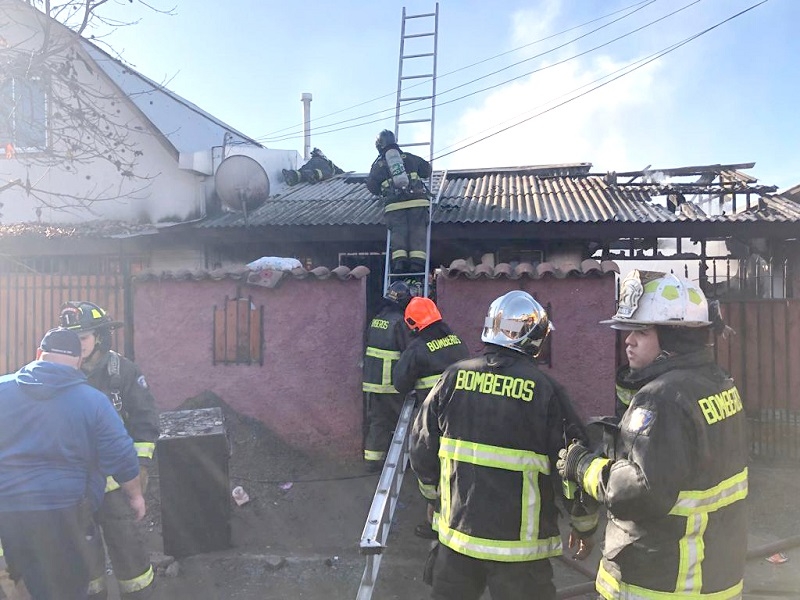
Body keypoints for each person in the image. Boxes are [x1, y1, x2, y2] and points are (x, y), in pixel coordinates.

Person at [557, 270, 747, 600]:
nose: (628, 340)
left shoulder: (661, 399)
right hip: (715, 576)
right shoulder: (717, 382)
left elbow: (637, 492)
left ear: (673, 339)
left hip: (659, 582)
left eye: (641, 332)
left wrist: (582, 465)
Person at [409, 291, 598, 599]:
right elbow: (573, 463)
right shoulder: (546, 391)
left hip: (458, 541)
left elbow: (421, 445)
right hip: (520, 554)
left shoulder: (453, 377)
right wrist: (584, 526)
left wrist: (433, 497)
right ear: (535, 339)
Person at [0, 328, 143, 600]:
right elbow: (121, 455)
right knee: (66, 586)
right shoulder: (93, 401)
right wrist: (135, 495)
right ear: (78, 362)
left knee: (24, 581)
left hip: (8, 511)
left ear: (39, 354)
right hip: (65, 511)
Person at [59, 301, 160, 600]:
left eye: (83, 339)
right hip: (75, 487)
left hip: (116, 486)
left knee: (128, 551)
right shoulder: (60, 373)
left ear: (100, 336)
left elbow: (144, 422)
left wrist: (140, 468)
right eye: (71, 340)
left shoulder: (123, 372)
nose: (77, 347)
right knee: (83, 556)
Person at [394, 296, 469, 540]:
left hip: (434, 420)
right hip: (464, 414)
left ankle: (436, 524)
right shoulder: (456, 340)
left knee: (430, 465)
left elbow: (400, 383)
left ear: (412, 324)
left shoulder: (416, 349)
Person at [362, 281, 415, 471]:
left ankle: (372, 459)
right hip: (391, 382)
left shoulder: (376, 319)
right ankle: (406, 461)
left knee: (378, 420)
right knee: (403, 421)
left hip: (371, 382)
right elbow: (409, 351)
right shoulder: (401, 322)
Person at [366, 130, 432, 275]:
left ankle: (399, 263)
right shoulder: (410, 158)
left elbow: (372, 187)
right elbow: (427, 170)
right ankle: (417, 264)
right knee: (417, 232)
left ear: (379, 146)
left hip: (394, 206)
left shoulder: (378, 166)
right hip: (417, 202)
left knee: (398, 233)